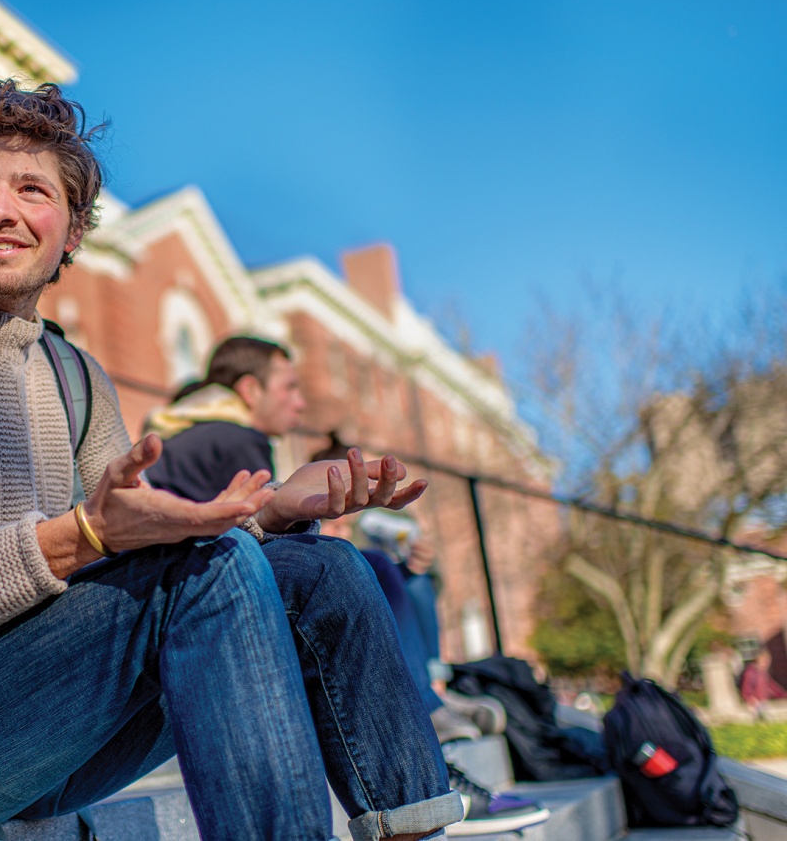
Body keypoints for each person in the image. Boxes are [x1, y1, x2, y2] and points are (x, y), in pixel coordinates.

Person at [0, 80, 464, 840]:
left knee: (325, 571)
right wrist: (84, 536)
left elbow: (139, 538)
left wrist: (268, 510)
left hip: (42, 715)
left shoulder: (77, 379)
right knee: (202, 573)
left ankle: (416, 828)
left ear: (72, 232)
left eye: (32, 190)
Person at [148, 337, 548, 834]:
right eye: (290, 387)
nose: (299, 402)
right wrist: (287, 519)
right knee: (342, 565)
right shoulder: (234, 439)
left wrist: (283, 516)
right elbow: (233, 550)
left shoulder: (188, 434)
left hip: (189, 595)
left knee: (398, 573)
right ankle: (424, 727)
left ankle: (429, 710)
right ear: (250, 390)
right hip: (192, 614)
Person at [740, 649, 787, 715]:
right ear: (758, 660)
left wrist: (783, 695)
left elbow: (773, 687)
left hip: (763, 702)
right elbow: (746, 689)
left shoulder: (764, 672)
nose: (767, 663)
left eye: (768, 661)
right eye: (764, 661)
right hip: (755, 704)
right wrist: (750, 699)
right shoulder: (750, 673)